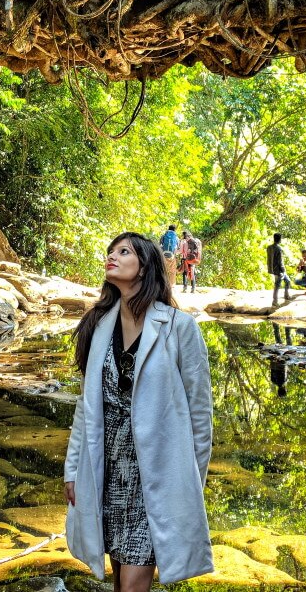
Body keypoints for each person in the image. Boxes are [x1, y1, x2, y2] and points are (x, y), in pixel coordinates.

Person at [64, 232, 213, 590]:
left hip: (155, 476)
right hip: (106, 470)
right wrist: (73, 469)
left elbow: (200, 415)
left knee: (132, 586)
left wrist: (192, 481)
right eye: (111, 251)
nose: (112, 256)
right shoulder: (98, 325)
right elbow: (86, 408)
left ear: (144, 266)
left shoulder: (180, 328)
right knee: (119, 578)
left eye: (123, 251)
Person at [266, 233, 291, 306]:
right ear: (280, 239)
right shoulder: (279, 248)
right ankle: (275, 301)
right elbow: (280, 261)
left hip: (272, 269)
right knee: (277, 285)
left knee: (287, 281)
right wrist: (283, 270)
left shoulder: (269, 247)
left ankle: (286, 296)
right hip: (279, 270)